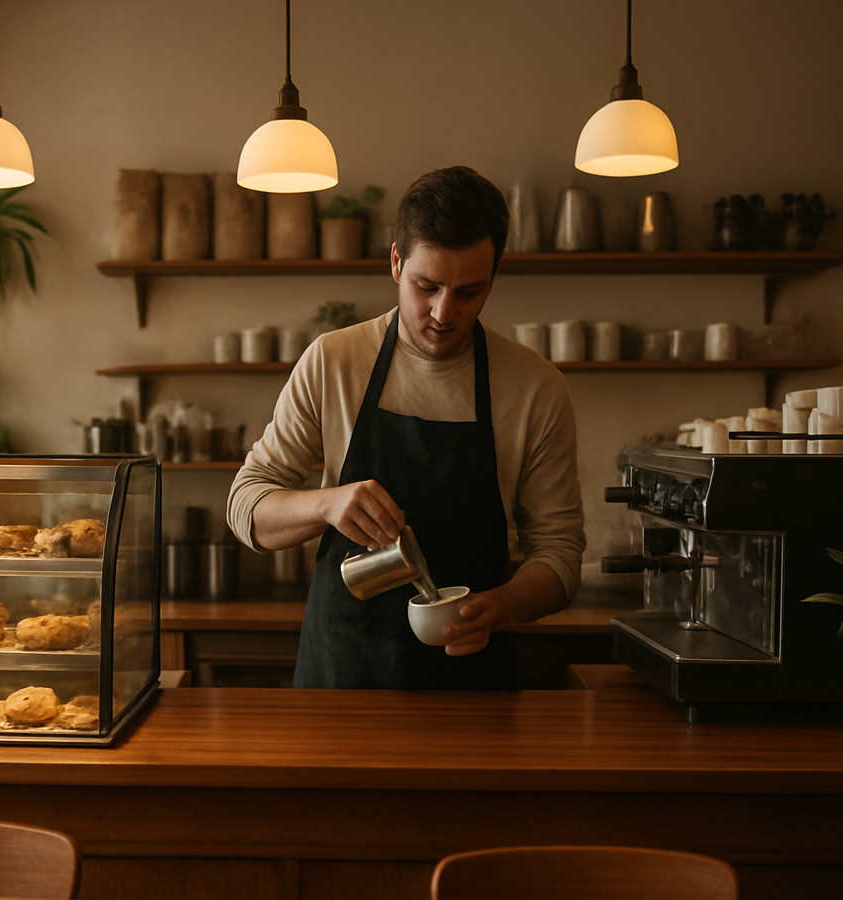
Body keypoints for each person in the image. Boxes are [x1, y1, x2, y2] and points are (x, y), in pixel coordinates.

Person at [226, 166, 585, 689]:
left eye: (468, 292)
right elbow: (244, 506)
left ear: (494, 278)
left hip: (471, 689)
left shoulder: (535, 388)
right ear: (396, 262)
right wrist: (325, 504)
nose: (443, 312)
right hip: (342, 681)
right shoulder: (334, 362)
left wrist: (501, 608)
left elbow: (560, 551)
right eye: (427, 286)